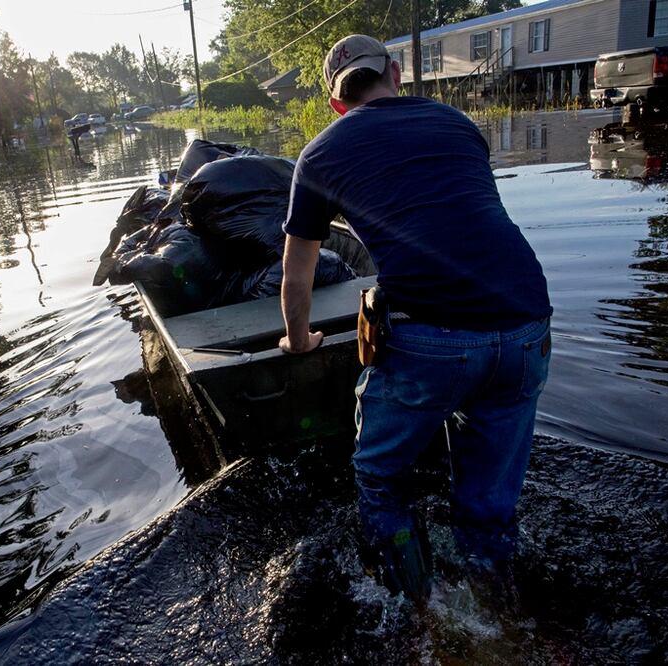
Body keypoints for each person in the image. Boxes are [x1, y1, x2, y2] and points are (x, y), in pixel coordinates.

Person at [278, 34, 552, 604]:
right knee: (488, 502)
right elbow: (461, 217)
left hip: (431, 341)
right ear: (396, 73)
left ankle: (418, 613)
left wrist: (300, 339)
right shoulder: (458, 125)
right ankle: (497, 607)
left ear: (335, 102)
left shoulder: (321, 152)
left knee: (380, 477)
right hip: (528, 324)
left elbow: (297, 275)